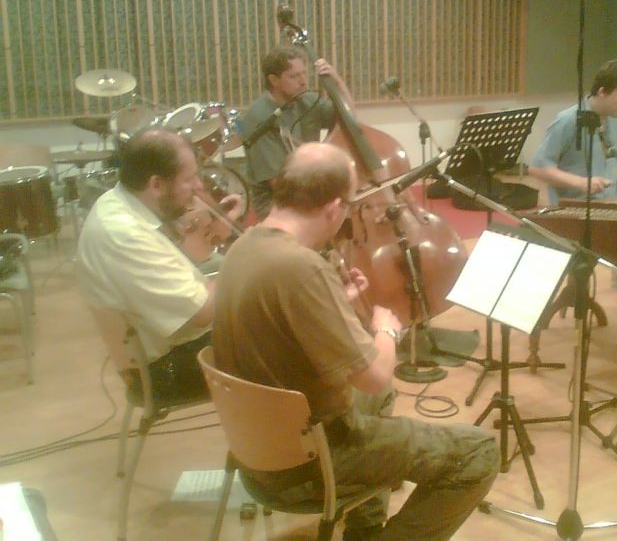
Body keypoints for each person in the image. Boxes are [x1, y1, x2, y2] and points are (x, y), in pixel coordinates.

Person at [213, 143, 499, 541]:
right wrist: (387, 330)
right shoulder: (302, 267)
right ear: (334, 208)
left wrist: (336, 303)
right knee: (478, 452)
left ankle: (364, 531)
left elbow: (282, 325)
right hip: (307, 462)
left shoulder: (245, 245)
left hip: (260, 447)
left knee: (378, 403)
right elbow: (374, 376)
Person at [77, 127, 241, 400]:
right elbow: (202, 312)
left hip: (172, 347)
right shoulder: (123, 233)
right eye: (189, 178)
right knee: (287, 337)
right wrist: (244, 256)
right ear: (156, 185)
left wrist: (212, 233)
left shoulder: (119, 202)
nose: (198, 186)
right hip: (165, 370)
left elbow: (181, 263)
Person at [528, 58, 617, 347]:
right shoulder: (568, 121)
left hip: (606, 208)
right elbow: (538, 168)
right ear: (602, 91)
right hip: (572, 214)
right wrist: (580, 183)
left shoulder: (611, 122)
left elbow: (605, 159)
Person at [241, 44, 355, 218]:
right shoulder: (259, 117)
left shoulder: (307, 100)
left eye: (304, 73)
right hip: (279, 203)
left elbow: (349, 118)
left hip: (312, 187)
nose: (303, 81)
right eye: (294, 76)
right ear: (274, 80)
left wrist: (336, 81)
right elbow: (280, 184)